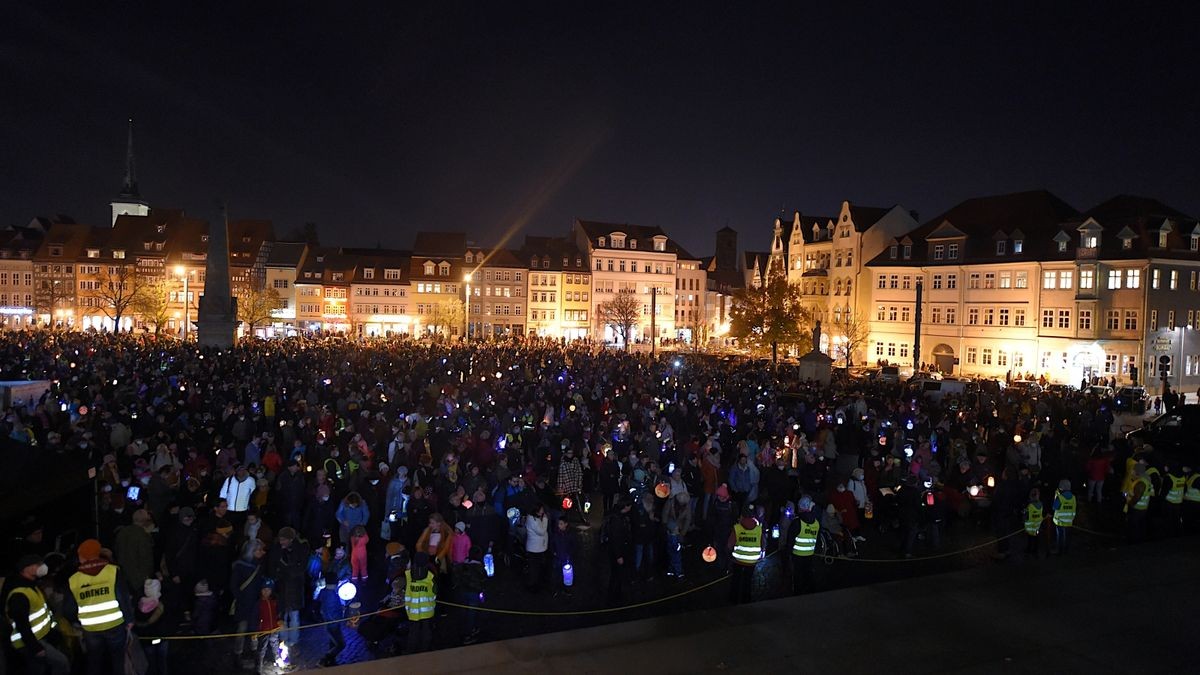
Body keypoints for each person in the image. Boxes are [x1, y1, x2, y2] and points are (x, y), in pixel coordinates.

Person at [65, 538, 133, 675]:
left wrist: (79, 621)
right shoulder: (113, 572)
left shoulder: (74, 580)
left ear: (82, 557)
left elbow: (69, 610)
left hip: (91, 629)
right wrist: (129, 619)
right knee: (117, 662)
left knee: (94, 662)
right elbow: (122, 597)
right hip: (115, 625)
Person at [6, 554, 70, 675]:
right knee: (62, 663)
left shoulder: (31, 586)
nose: (42, 567)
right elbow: (22, 624)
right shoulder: (20, 594)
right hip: (30, 642)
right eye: (38, 564)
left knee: (38, 669)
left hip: (38, 639)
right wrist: (35, 647)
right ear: (27, 569)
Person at [729, 505, 762, 604]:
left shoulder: (737, 528)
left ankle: (733, 599)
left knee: (736, 579)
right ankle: (746, 600)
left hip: (738, 560)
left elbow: (729, 544)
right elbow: (763, 544)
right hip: (752, 561)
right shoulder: (759, 529)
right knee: (747, 580)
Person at [404, 552, 437, 654]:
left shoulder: (408, 575)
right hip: (427, 610)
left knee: (413, 632)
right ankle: (425, 651)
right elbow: (435, 591)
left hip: (412, 611)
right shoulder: (430, 576)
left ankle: (411, 652)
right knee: (426, 631)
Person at [787, 496, 820, 595]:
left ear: (800, 507)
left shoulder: (797, 522)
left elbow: (790, 540)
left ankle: (798, 595)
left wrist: (788, 553)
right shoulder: (816, 522)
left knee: (798, 576)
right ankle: (811, 593)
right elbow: (817, 540)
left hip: (797, 555)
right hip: (810, 554)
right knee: (808, 574)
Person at [454, 546, 486, 644]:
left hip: (463, 593)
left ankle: (463, 631)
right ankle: (468, 634)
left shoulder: (462, 566)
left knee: (463, 612)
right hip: (474, 594)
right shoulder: (480, 569)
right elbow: (483, 582)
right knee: (472, 614)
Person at [603, 498, 633, 603]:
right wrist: (618, 556)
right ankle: (614, 594)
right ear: (625, 507)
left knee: (616, 573)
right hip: (617, 551)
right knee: (616, 573)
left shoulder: (616, 516)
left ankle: (615, 592)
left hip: (616, 550)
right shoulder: (617, 520)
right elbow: (615, 539)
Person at [316, 568, 345, 667]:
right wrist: (340, 617)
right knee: (341, 644)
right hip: (333, 624)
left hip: (330, 623)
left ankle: (331, 661)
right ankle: (325, 659)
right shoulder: (331, 595)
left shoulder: (325, 592)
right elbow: (330, 612)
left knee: (332, 643)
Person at [523, 504, 549, 591]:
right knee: (535, 568)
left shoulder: (534, 518)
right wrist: (545, 520)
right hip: (535, 549)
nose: (543, 511)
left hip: (537, 547)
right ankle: (533, 585)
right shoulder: (533, 520)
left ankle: (535, 583)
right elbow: (541, 531)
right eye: (541, 509)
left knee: (536, 567)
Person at [1126, 464, 1151, 542]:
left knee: (1134, 526)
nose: (1132, 471)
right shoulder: (1146, 478)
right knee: (1141, 526)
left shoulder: (1140, 483)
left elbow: (1137, 497)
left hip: (1137, 508)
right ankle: (1140, 540)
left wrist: (1130, 504)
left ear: (1137, 471)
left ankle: (1135, 542)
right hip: (1143, 508)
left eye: (1133, 470)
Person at [1050, 479, 1075, 554]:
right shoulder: (1073, 497)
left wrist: (1056, 497)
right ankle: (1066, 550)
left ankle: (1059, 551)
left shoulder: (1060, 498)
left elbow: (1054, 507)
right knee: (1067, 536)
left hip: (1060, 522)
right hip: (1069, 521)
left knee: (1060, 536)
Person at [1024, 488, 1044, 559]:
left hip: (1030, 527)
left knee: (1030, 539)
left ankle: (1029, 550)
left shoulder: (1030, 506)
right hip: (1037, 526)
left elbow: (1026, 516)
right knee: (1036, 539)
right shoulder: (1041, 504)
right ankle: (1035, 551)